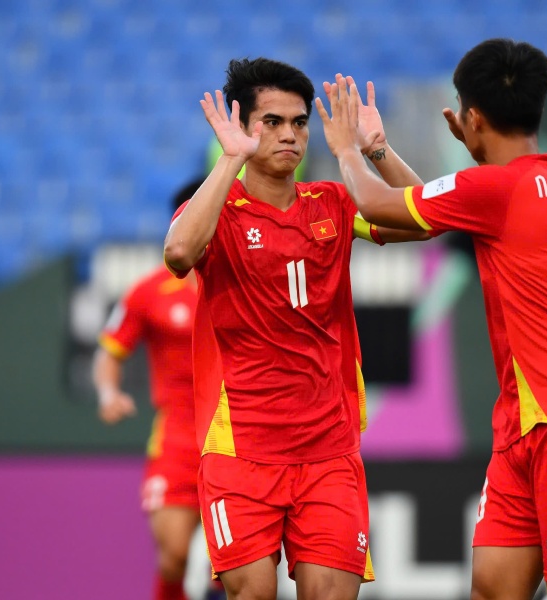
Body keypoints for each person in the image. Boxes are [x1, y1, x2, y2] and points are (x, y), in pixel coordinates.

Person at [317, 39, 547, 600]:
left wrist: (346, 150)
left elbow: (382, 208)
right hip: (526, 420)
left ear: (472, 117)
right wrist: (381, 151)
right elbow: (434, 208)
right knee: (493, 588)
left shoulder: (496, 187)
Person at [163, 57, 427, 600]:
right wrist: (230, 161)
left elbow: (426, 217)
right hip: (241, 450)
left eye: (299, 122)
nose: (289, 134)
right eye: (272, 122)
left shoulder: (333, 202)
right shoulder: (218, 212)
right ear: (243, 126)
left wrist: (375, 149)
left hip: (329, 449)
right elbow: (179, 253)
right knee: (251, 594)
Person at [93, 177, 225, 600]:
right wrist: (108, 393)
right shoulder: (149, 292)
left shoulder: (242, 284)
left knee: (230, 569)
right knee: (173, 556)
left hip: (237, 435)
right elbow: (110, 351)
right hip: (178, 438)